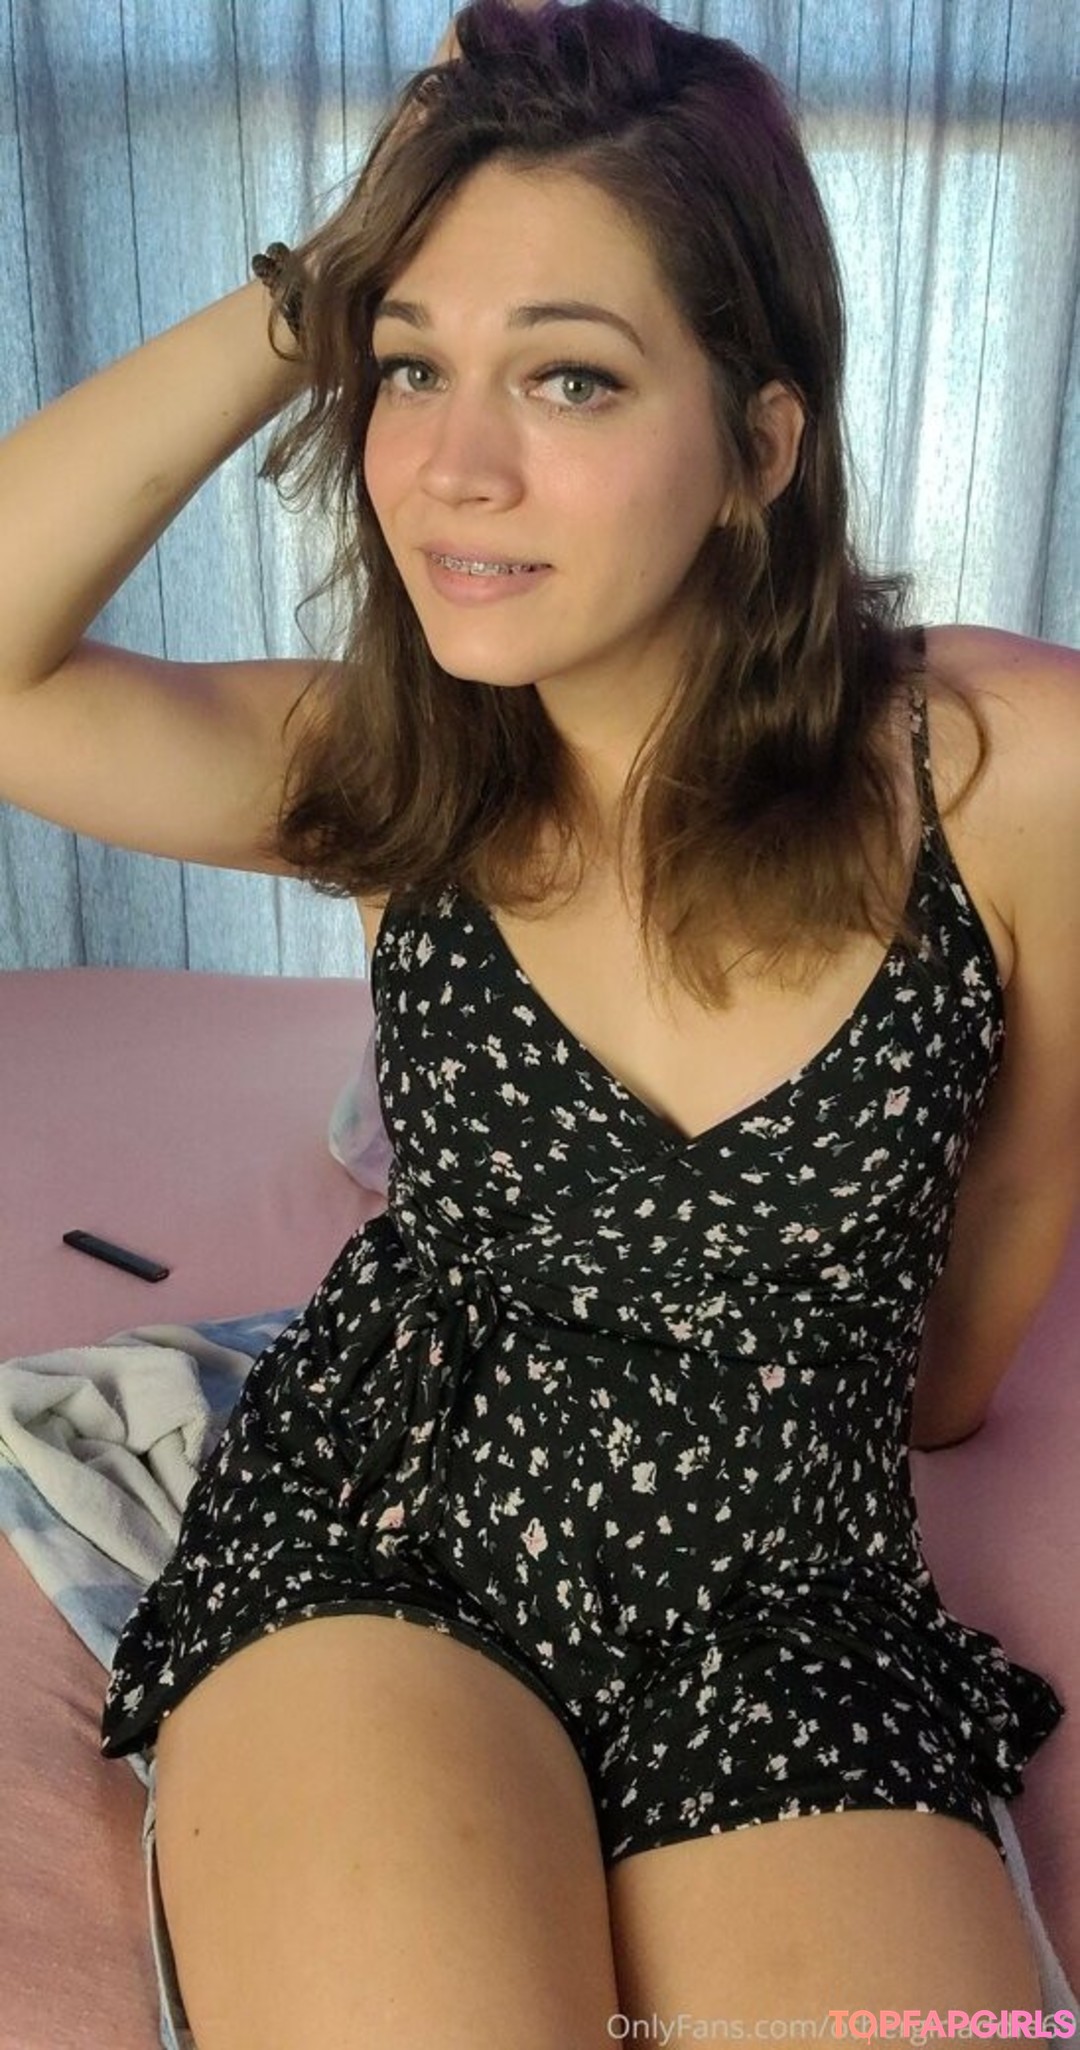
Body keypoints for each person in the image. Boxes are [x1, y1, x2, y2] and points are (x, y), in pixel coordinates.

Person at [1, 0, 1076, 2041]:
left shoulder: (1011, 769)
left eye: (570, 375)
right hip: (392, 1536)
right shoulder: (396, 769)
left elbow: (1004, 1214)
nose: (449, 468)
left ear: (762, 443)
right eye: (410, 365)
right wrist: (317, 287)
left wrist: (891, 1396)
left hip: (797, 1611)